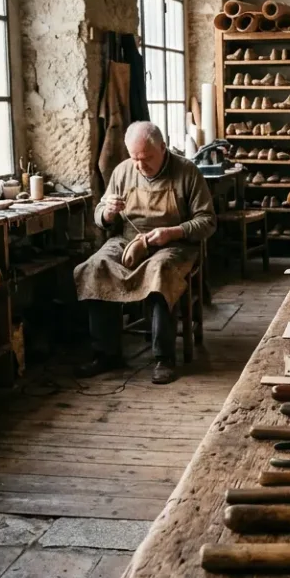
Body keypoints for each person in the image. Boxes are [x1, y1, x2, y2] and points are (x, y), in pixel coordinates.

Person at [73, 121, 215, 384]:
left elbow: (207, 221)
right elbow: (99, 217)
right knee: (94, 267)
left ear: (163, 147)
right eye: (134, 158)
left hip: (174, 244)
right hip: (129, 239)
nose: (139, 165)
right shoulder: (123, 171)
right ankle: (106, 354)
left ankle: (164, 357)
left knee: (160, 270)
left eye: (146, 158)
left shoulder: (186, 171)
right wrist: (107, 213)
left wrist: (172, 232)